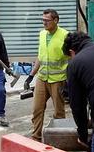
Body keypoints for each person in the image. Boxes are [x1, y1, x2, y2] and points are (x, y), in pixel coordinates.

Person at [23, 9, 69, 141]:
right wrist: (31, 75)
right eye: (42, 20)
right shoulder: (42, 34)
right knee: (37, 109)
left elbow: (71, 57)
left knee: (59, 113)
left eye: (47, 20)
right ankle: (36, 137)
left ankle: (60, 139)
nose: (44, 23)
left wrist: (70, 79)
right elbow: (40, 57)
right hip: (42, 78)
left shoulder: (65, 35)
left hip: (58, 80)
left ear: (55, 20)